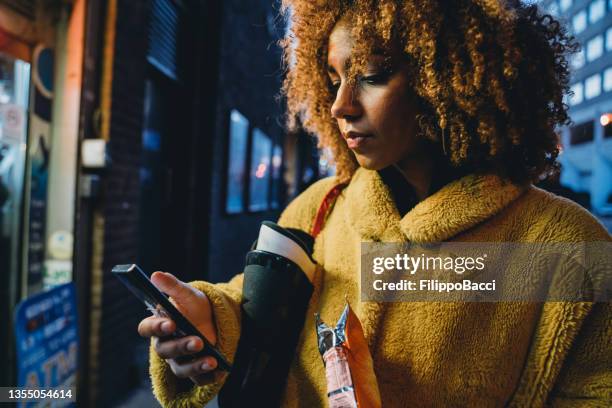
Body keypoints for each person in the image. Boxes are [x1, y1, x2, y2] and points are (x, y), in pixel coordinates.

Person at [138, 1, 612, 406]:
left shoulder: (568, 246)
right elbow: (252, 303)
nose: (339, 105)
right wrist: (208, 317)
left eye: (371, 75)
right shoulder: (320, 207)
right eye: (334, 77)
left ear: (443, 77)